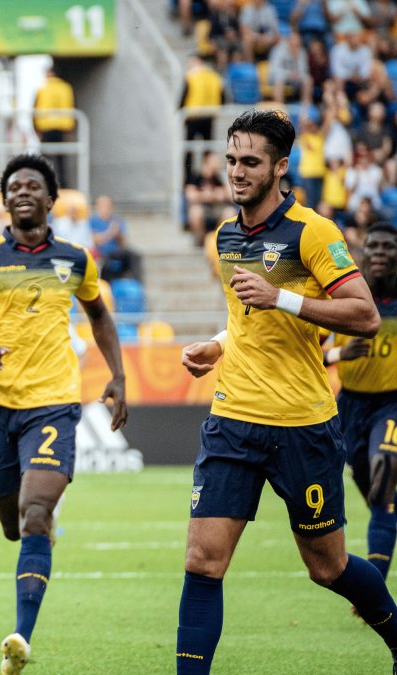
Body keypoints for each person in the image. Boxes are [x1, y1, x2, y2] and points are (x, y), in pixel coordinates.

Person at [175, 109, 395, 674]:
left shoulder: (313, 231)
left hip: (302, 424)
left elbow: (365, 316)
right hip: (233, 419)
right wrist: (219, 344)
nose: (237, 172)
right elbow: (248, 317)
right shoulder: (224, 236)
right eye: (230, 160)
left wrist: (285, 298)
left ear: (279, 167)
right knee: (203, 562)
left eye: (249, 162)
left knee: (328, 567)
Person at [0, 154, 128, 675]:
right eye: (15, 186)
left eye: (34, 186)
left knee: (36, 514)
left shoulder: (75, 259)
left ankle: (20, 637)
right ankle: (31, 524)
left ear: (51, 200)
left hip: (54, 401)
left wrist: (118, 376)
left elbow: (101, 318)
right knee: (12, 521)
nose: (23, 192)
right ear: (5, 201)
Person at [326, 224, 397, 580]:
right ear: (363, 252)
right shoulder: (345, 295)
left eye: (389, 247)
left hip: (391, 404)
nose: (381, 253)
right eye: (374, 246)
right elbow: (309, 349)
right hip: (350, 406)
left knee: (385, 468)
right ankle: (384, 524)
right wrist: (341, 351)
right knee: (376, 495)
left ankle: (376, 576)